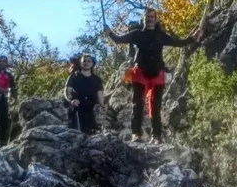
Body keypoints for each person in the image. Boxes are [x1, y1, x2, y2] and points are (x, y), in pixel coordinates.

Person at [105, 8, 198, 143]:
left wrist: (194, 37)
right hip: (140, 73)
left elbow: (178, 43)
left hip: (157, 73)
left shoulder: (161, 35)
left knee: (156, 106)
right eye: (147, 16)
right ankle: (136, 133)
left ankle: (156, 135)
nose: (150, 19)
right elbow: (118, 40)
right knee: (137, 104)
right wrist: (109, 33)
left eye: (152, 17)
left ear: (156, 19)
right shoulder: (137, 34)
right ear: (144, 19)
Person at [65, 54, 105, 134]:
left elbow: (100, 95)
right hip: (77, 106)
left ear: (92, 64)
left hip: (90, 108)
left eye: (88, 61)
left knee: (90, 132)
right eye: (84, 61)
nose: (86, 63)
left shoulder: (97, 79)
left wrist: (102, 106)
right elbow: (67, 92)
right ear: (80, 63)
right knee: (76, 132)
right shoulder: (74, 76)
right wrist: (71, 101)